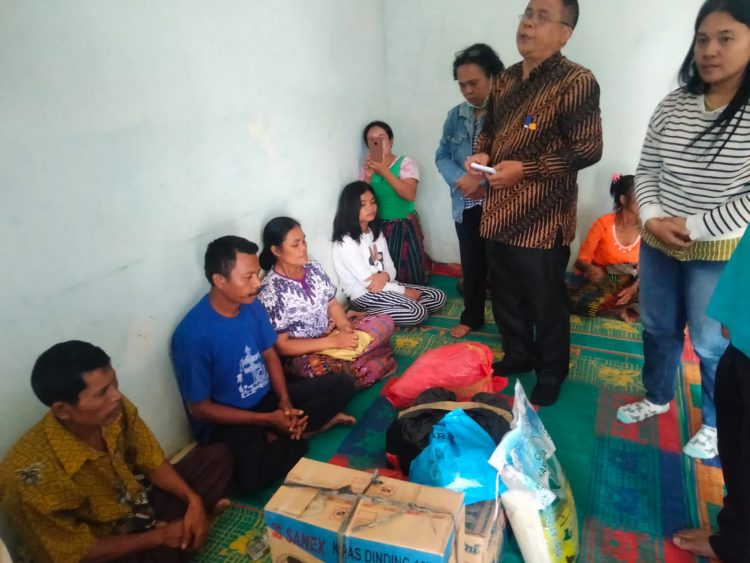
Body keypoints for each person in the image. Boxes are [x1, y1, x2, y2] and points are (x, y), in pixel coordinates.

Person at [616, 0, 750, 460]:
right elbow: (647, 168)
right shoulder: (674, 104)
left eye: (726, 38)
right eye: (702, 39)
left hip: (716, 252)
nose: (710, 50)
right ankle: (657, 396)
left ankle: (714, 421)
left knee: (711, 344)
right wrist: (653, 217)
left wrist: (693, 226)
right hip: (658, 243)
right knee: (657, 327)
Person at [466, 0, 603, 406]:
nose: (529, 24)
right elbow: (489, 130)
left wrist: (525, 169)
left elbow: (588, 149)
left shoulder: (576, 81)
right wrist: (482, 153)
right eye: (528, 14)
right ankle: (519, 354)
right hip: (498, 212)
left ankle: (552, 370)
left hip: (543, 219)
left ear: (565, 33)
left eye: (542, 18)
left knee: (547, 303)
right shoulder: (506, 79)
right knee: (504, 295)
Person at [0, 341, 233, 563]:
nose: (116, 396)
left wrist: (192, 501)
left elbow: (150, 459)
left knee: (215, 458)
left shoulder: (113, 409)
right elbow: (73, 553)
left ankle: (184, 531)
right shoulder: (28, 481)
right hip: (101, 544)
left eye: (114, 382)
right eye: (102, 393)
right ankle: (181, 535)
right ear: (62, 410)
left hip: (135, 508)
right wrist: (159, 537)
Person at [171, 236, 356, 494]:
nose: (258, 283)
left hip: (267, 400)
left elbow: (269, 354)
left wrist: (284, 403)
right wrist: (267, 419)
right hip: (232, 419)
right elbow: (201, 410)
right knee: (252, 478)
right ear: (219, 280)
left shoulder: (250, 306)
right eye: (248, 277)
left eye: (257, 274)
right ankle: (299, 434)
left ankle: (284, 433)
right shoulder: (193, 336)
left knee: (343, 385)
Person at [258, 217, 397, 388]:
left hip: (332, 332)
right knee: (315, 370)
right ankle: (374, 359)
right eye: (295, 245)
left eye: (304, 241)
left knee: (385, 322)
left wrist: (345, 327)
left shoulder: (313, 268)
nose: (303, 248)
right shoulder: (271, 291)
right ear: (276, 250)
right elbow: (283, 346)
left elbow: (332, 305)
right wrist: (335, 343)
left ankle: (363, 363)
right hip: (306, 353)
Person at [436, 43, 505, 338]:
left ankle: (508, 325)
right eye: (462, 85)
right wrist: (462, 180)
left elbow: (515, 161)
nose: (467, 91)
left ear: (493, 77)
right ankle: (472, 316)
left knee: (502, 269)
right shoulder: (456, 115)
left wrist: (481, 183)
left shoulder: (508, 114)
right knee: (472, 265)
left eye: (473, 83)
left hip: (499, 204)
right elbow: (442, 156)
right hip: (465, 204)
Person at [331, 181, 446, 327]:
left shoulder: (375, 233)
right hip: (363, 295)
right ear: (350, 208)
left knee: (438, 296)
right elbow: (368, 284)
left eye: (373, 202)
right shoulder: (346, 242)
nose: (370, 207)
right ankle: (363, 314)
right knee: (417, 312)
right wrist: (403, 291)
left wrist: (384, 277)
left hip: (386, 285)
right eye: (363, 204)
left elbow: (391, 268)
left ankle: (398, 307)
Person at [360, 120, 431, 285]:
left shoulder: (405, 163)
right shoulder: (367, 168)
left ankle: (413, 294)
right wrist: (368, 176)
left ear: (391, 141)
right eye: (372, 140)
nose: (377, 142)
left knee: (409, 268)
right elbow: (361, 199)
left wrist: (384, 171)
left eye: (382, 137)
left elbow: (409, 194)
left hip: (403, 225)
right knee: (383, 268)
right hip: (377, 227)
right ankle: (391, 296)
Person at [568, 174, 640, 322]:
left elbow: (651, 267)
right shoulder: (603, 224)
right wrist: (590, 268)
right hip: (606, 282)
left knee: (662, 296)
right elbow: (581, 261)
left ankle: (624, 306)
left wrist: (633, 288)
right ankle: (622, 309)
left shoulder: (647, 228)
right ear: (623, 200)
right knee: (581, 304)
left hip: (635, 283)